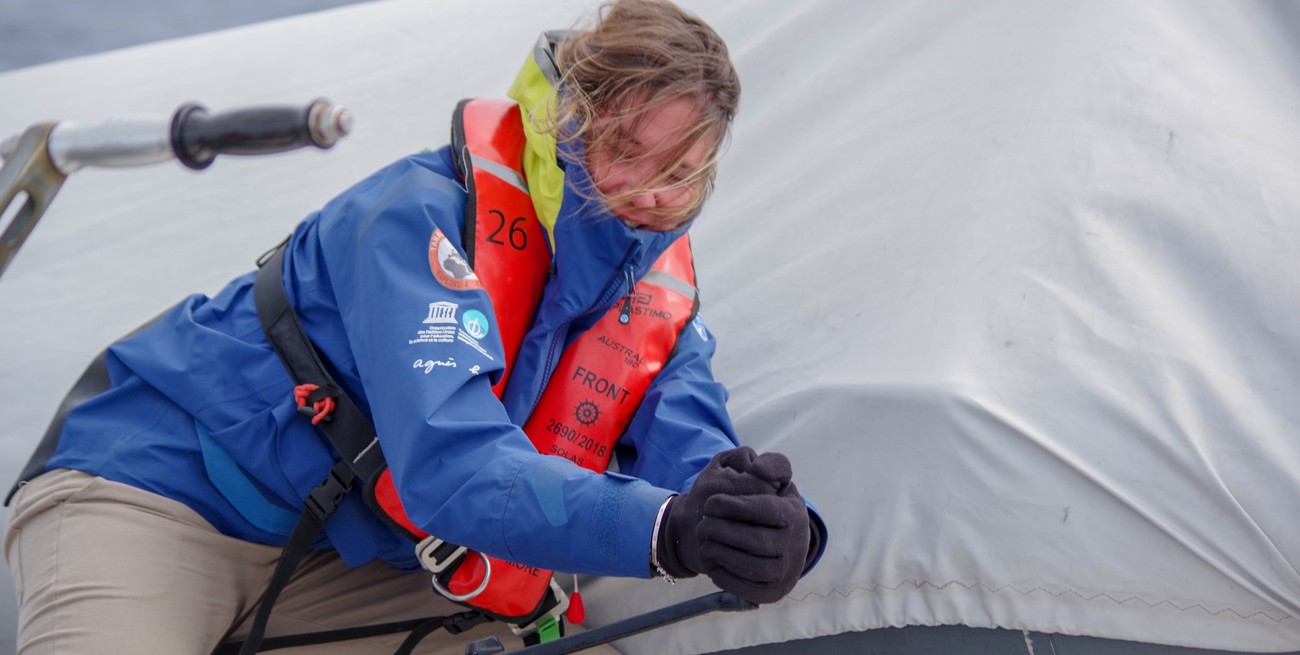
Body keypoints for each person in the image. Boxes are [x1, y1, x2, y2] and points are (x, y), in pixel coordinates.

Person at [3, 0, 826, 653]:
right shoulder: (419, 220)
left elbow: (699, 461)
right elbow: (450, 466)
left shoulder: (659, 304)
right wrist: (665, 530)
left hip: (335, 559)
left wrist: (774, 529)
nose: (650, 193)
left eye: (681, 171)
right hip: (149, 493)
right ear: (567, 121)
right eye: (628, 149)